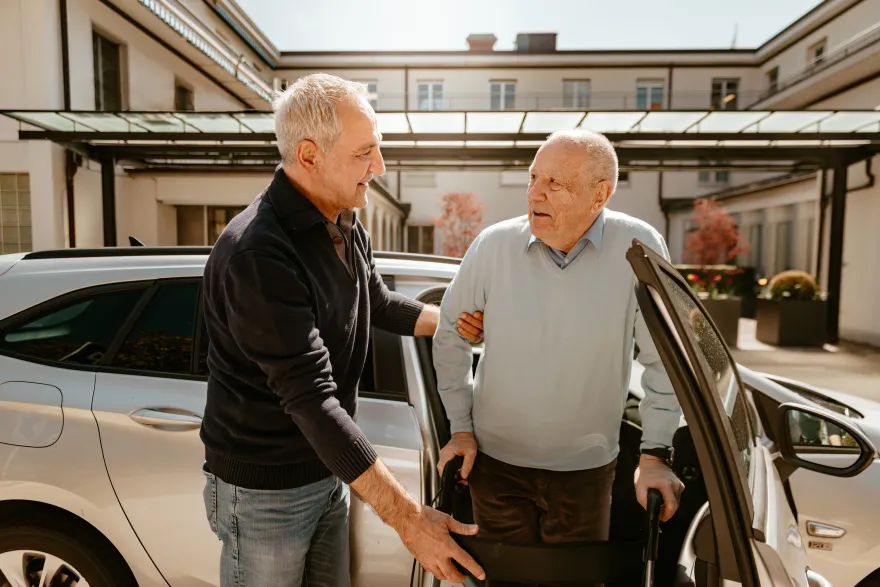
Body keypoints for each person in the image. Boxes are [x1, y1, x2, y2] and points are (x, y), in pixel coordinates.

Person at [199, 73, 485, 587]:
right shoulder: (259, 253)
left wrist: (456, 325)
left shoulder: (342, 222)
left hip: (328, 473)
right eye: (365, 153)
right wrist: (410, 519)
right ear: (309, 156)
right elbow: (312, 398)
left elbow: (373, 303)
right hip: (266, 495)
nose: (379, 167)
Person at [433, 130, 686, 575]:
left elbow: (663, 359)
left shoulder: (639, 249)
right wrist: (461, 429)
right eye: (533, 178)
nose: (535, 193)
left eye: (555, 183)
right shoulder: (493, 246)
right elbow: (451, 334)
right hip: (496, 467)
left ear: (600, 194)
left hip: (586, 472)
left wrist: (654, 455)